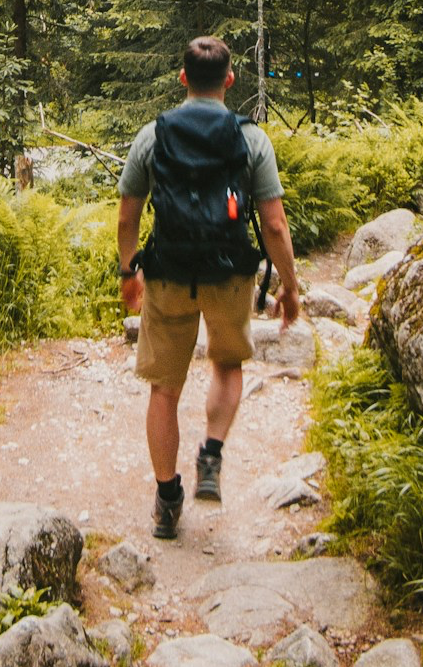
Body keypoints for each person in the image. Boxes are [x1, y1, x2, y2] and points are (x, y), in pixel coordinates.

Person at [116, 35, 301, 539]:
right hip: (228, 272)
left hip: (170, 273)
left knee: (164, 388)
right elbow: (275, 225)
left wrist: (129, 272)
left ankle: (168, 497)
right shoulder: (251, 138)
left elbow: (128, 215)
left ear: (182, 79)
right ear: (229, 80)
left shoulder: (152, 136)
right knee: (226, 363)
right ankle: (212, 454)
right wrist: (289, 287)